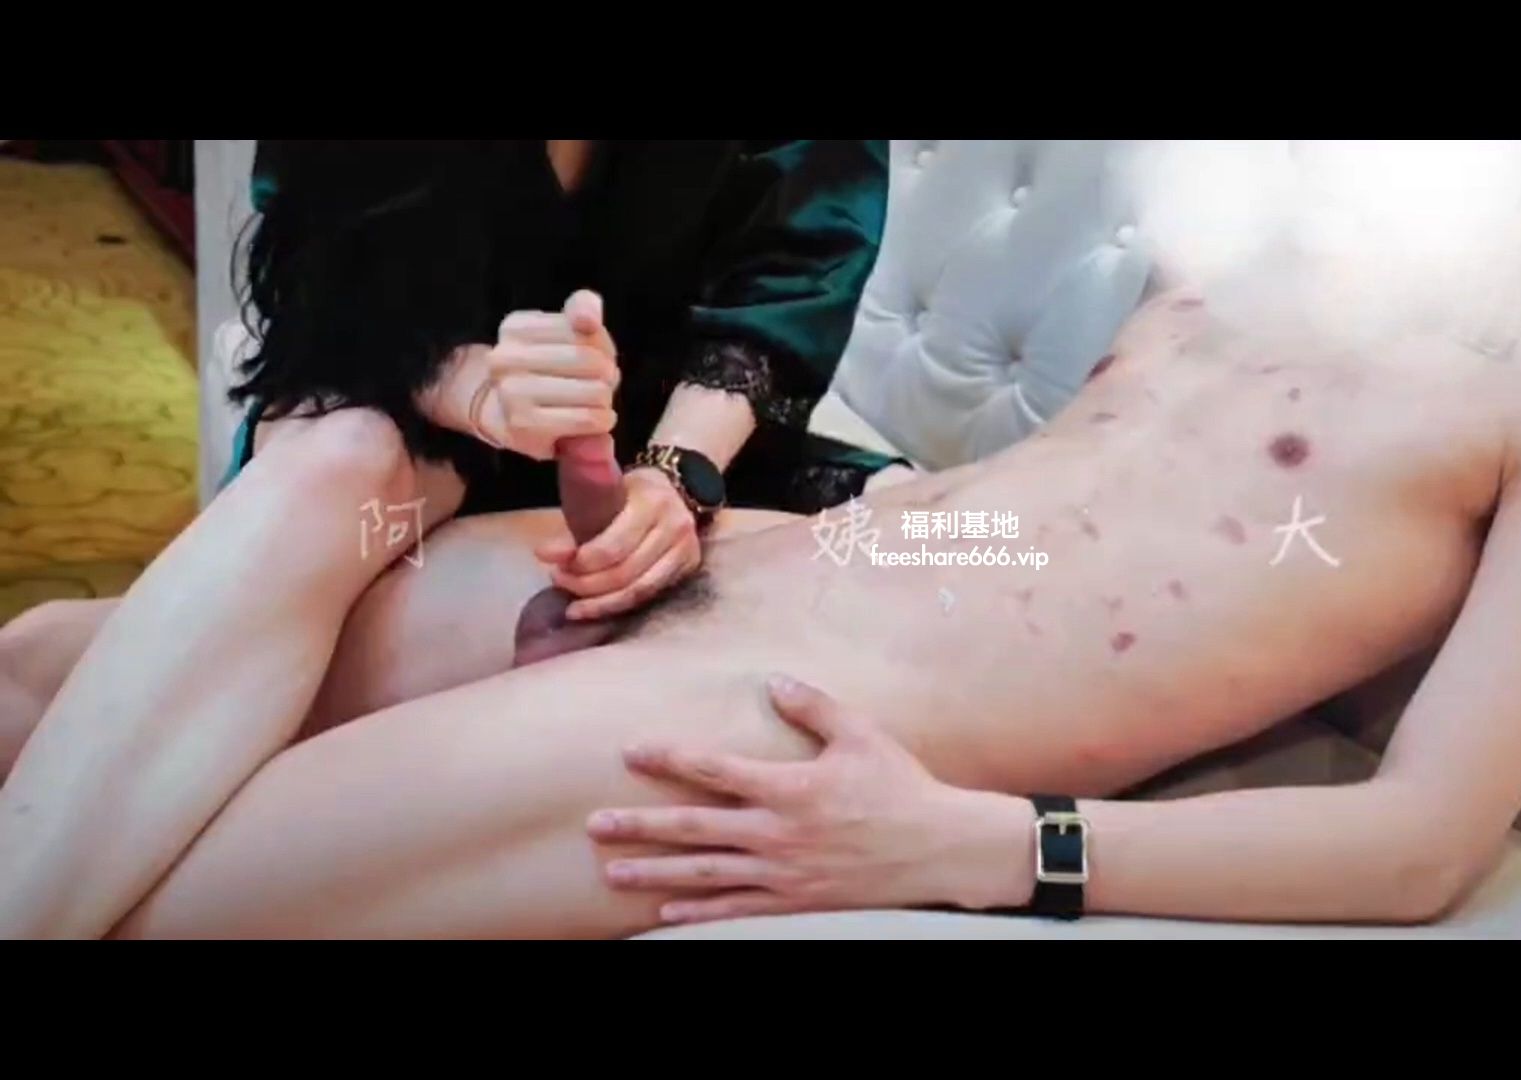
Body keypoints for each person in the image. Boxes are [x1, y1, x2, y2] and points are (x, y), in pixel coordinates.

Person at [0, 215, 1521, 934]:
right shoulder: (1243, 248)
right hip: (748, 566)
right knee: (39, 669)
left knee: (150, 908)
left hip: (789, 711)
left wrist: (986, 845)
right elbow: (1065, 518)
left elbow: (1421, 844)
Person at [0, 139, 897, 761]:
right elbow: (322, 298)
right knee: (349, 455)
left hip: (681, 441)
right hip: (406, 404)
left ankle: (70, 671)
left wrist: (674, 476)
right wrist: (470, 386)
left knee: (942, 532)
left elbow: (792, 273)